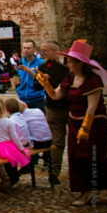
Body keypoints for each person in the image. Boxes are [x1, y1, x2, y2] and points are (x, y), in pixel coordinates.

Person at [35, 40, 107, 206]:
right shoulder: (70, 78)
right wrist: (46, 84)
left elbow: (92, 107)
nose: (68, 65)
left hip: (93, 124)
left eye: (71, 62)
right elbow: (56, 96)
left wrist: (85, 128)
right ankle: (85, 191)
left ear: (80, 63)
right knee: (76, 157)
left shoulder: (92, 80)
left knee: (94, 158)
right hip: (74, 122)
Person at [34, 39, 69, 184]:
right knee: (57, 141)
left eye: (46, 50)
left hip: (71, 106)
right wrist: (43, 80)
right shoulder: (44, 66)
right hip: (53, 107)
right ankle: (54, 173)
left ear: (55, 50)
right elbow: (36, 86)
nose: (43, 53)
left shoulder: (68, 65)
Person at [0, 99, 29, 192]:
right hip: (10, 145)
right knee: (11, 160)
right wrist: (21, 149)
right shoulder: (8, 121)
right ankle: (13, 175)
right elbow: (15, 137)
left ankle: (4, 177)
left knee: (0, 162)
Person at [17, 40, 45, 110]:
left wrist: (29, 71)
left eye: (28, 48)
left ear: (34, 49)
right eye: (24, 48)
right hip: (22, 99)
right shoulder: (20, 62)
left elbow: (42, 80)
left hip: (37, 99)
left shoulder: (41, 63)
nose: (26, 50)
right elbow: (19, 77)